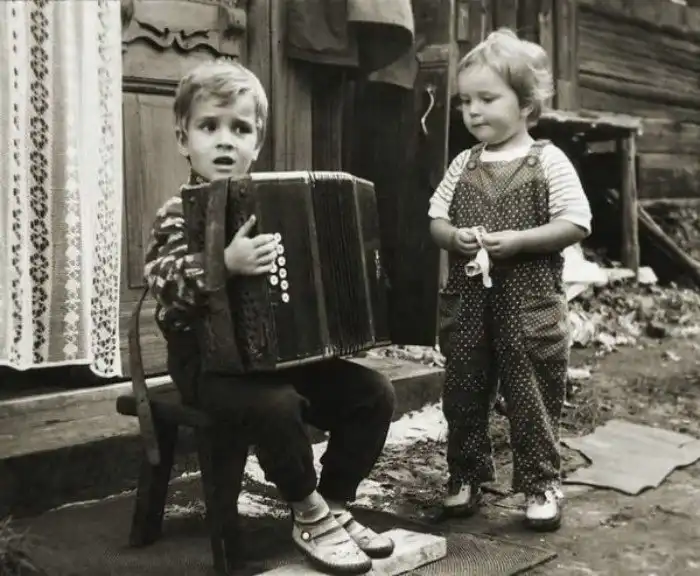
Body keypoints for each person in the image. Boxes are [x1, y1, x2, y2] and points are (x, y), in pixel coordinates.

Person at [143, 60, 396, 575]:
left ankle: (333, 503)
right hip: (207, 367)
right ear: (183, 139)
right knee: (278, 406)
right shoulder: (178, 212)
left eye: (240, 129)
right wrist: (221, 264)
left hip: (277, 358)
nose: (225, 140)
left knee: (373, 393)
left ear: (257, 143)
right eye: (209, 126)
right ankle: (307, 511)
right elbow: (162, 283)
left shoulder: (275, 206)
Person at [429, 28, 592, 532]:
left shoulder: (548, 161)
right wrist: (453, 237)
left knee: (531, 395)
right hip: (469, 307)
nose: (473, 111)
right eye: (465, 102)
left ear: (524, 105)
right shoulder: (464, 163)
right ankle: (465, 473)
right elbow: (435, 219)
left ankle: (541, 482)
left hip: (528, 306)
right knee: (463, 390)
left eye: (487, 99)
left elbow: (576, 222)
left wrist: (521, 241)